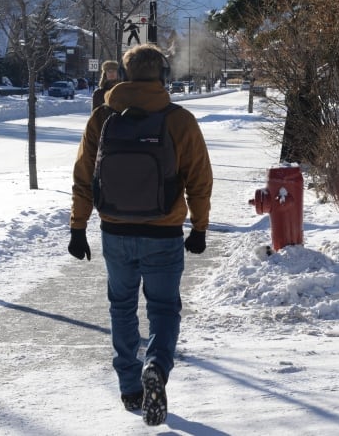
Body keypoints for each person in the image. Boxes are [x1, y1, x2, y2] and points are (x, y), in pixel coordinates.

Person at [67, 43, 213, 426]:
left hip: (114, 230)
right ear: (162, 76)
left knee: (121, 306)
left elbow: (84, 176)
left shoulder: (102, 117)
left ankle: (130, 386)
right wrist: (199, 226)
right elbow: (199, 179)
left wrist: (78, 227)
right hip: (163, 231)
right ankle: (157, 367)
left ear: (125, 76)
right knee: (163, 308)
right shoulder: (179, 120)